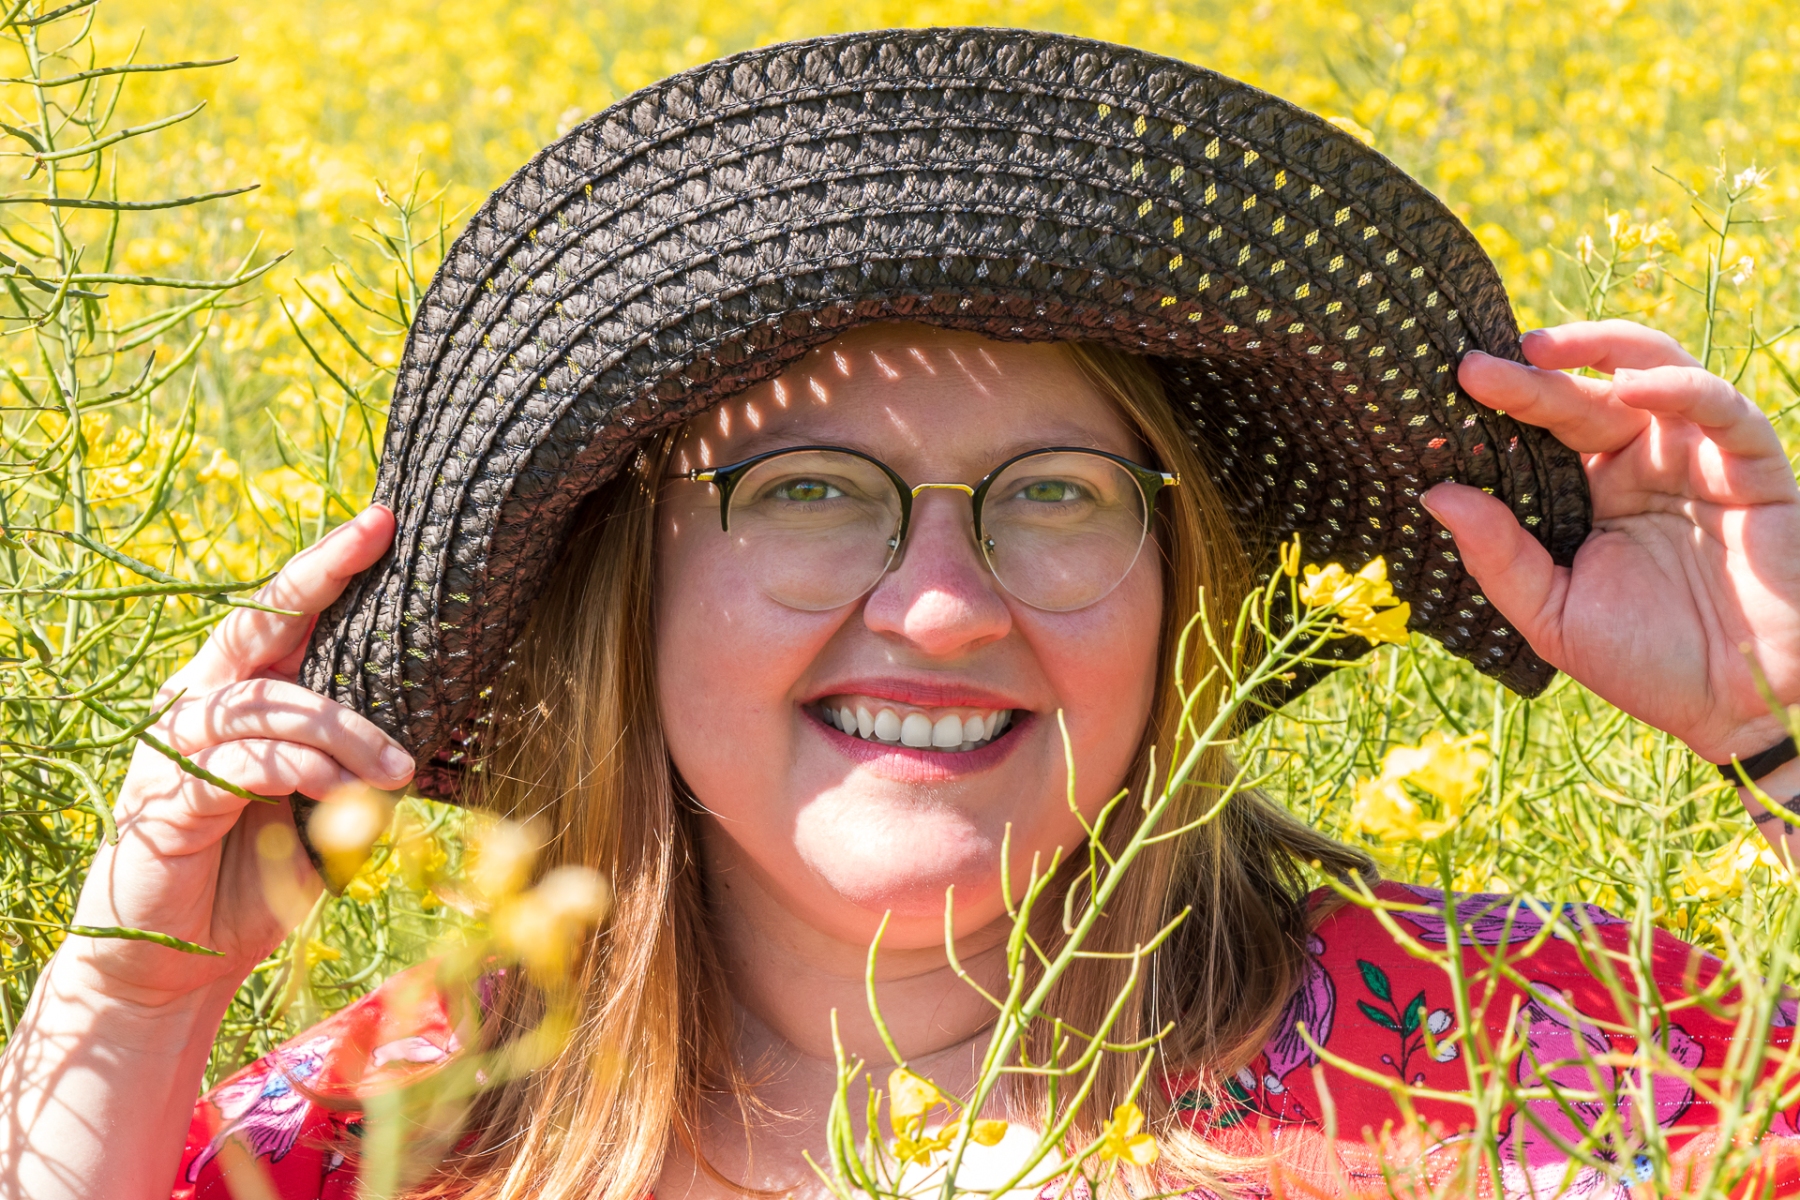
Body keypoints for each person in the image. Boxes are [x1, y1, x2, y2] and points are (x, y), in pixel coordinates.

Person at [4, 27, 1800, 1200]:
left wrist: (1778, 724)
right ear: (629, 591)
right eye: (807, 493)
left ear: (1183, 592)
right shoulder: (388, 1133)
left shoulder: (1539, 1055)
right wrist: (135, 992)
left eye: (1060, 496)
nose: (941, 609)